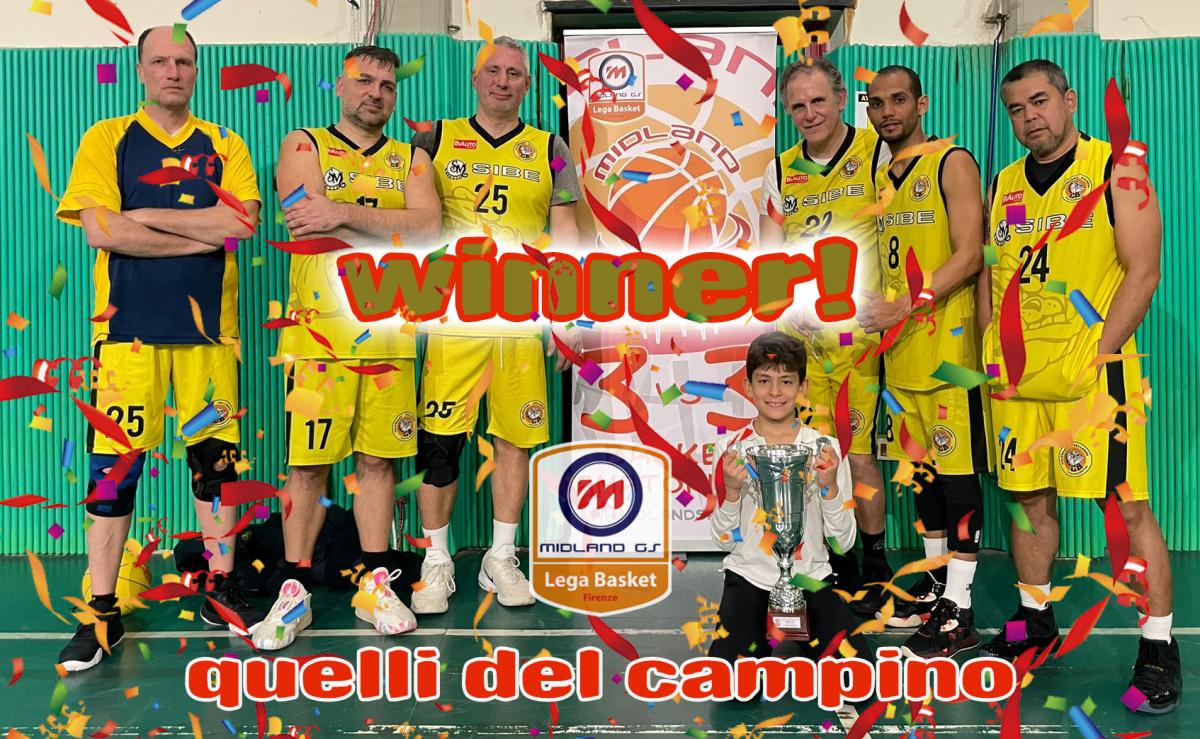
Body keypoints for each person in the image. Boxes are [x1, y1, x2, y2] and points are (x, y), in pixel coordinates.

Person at [54, 26, 264, 671]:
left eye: (184, 61)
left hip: (209, 340)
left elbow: (242, 223)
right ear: (141, 70)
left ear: (197, 71)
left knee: (216, 473)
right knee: (113, 479)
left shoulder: (225, 143)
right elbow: (100, 231)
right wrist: (199, 235)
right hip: (127, 340)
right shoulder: (106, 138)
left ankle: (220, 591)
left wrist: (143, 217)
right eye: (160, 61)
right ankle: (102, 612)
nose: (173, 71)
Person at [978, 59, 1179, 713]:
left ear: (1069, 99)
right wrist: (988, 348)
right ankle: (1035, 621)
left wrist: (1097, 355)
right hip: (1018, 378)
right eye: (1016, 109)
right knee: (1027, 498)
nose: (1029, 117)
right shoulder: (1005, 182)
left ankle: (1158, 645)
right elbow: (991, 274)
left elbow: (1143, 272)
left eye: (1040, 101)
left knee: (1124, 510)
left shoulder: (1117, 169)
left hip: (1093, 376)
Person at [255, 45, 442, 649]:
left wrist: (339, 211)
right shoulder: (303, 144)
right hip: (319, 338)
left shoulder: (411, 158)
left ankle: (373, 584)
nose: (375, 93)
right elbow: (302, 222)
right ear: (340, 86)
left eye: (387, 85)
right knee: (308, 466)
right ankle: (293, 590)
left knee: (379, 463)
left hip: (390, 335)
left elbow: (429, 229)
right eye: (364, 81)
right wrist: (388, 222)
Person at [407, 37, 582, 613]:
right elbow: (412, 223)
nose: (503, 81)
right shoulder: (433, 139)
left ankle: (500, 556)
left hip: (521, 320)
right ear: (475, 78)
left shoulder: (551, 147)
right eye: (493, 71)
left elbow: (566, 235)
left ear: (528, 84)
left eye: (514, 73)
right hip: (454, 320)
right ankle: (436, 560)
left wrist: (569, 315)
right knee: (440, 444)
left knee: (516, 439)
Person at [861, 66, 989, 658]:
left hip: (949, 354)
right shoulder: (881, 174)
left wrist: (906, 304)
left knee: (958, 481)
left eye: (898, 100)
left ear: (922, 103)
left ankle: (960, 608)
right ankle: (938, 582)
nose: (887, 111)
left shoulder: (951, 161)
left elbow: (970, 255)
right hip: (902, 352)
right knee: (923, 477)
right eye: (876, 102)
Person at [759, 58, 891, 612]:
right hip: (802, 340)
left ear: (840, 99)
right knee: (809, 457)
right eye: (798, 105)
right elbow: (769, 256)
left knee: (858, 455)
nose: (809, 113)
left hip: (858, 339)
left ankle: (875, 566)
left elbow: (902, 234)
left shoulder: (878, 153)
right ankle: (829, 562)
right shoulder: (780, 169)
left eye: (818, 101)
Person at [709, 331, 866, 667]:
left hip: (810, 577)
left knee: (858, 677)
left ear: (802, 387)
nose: (775, 392)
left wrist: (829, 488)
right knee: (727, 681)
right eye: (764, 381)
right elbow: (723, 541)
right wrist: (732, 493)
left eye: (786, 381)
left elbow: (843, 543)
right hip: (749, 577)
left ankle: (803, 631)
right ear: (748, 386)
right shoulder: (731, 450)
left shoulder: (826, 449)